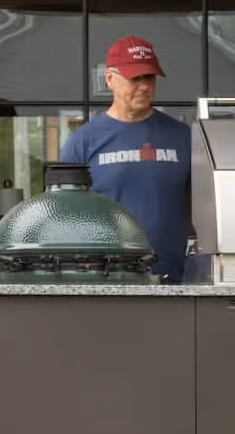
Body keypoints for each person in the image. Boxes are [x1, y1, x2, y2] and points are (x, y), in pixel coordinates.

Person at [59, 35, 192, 282]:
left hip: (172, 279)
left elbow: (206, 208)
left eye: (149, 77)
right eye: (135, 78)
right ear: (110, 79)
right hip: (105, 281)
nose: (144, 86)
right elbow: (66, 218)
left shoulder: (183, 137)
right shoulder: (83, 141)